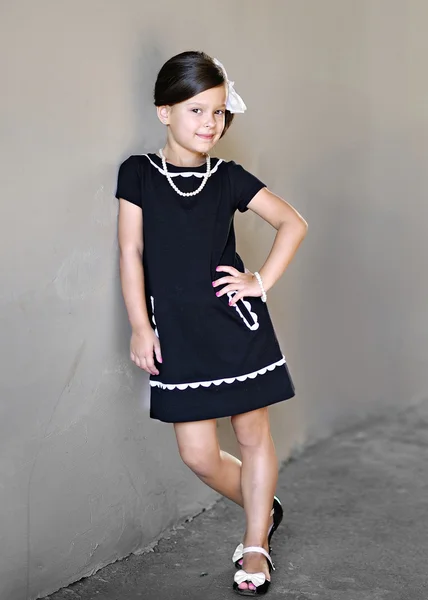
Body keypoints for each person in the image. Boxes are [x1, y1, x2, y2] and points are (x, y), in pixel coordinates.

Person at [115, 50, 307, 596]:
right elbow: (131, 253)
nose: (210, 124)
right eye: (197, 110)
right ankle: (262, 507)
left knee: (252, 435)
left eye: (219, 113)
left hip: (235, 326)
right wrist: (139, 326)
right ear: (164, 112)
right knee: (198, 453)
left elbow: (292, 223)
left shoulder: (229, 178)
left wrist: (259, 281)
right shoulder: (138, 175)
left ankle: (255, 544)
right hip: (175, 332)